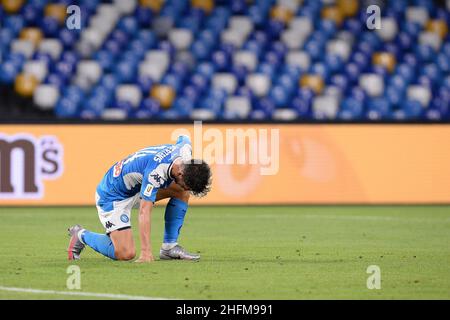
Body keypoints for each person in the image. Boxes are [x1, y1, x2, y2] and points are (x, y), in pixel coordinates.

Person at [67, 135, 211, 263]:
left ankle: (169, 247)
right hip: (112, 197)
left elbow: (183, 137)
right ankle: (80, 235)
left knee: (181, 192)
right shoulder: (156, 173)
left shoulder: (185, 152)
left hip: (134, 188)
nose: (187, 188)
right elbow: (144, 211)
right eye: (187, 185)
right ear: (180, 173)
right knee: (126, 253)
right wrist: (146, 252)